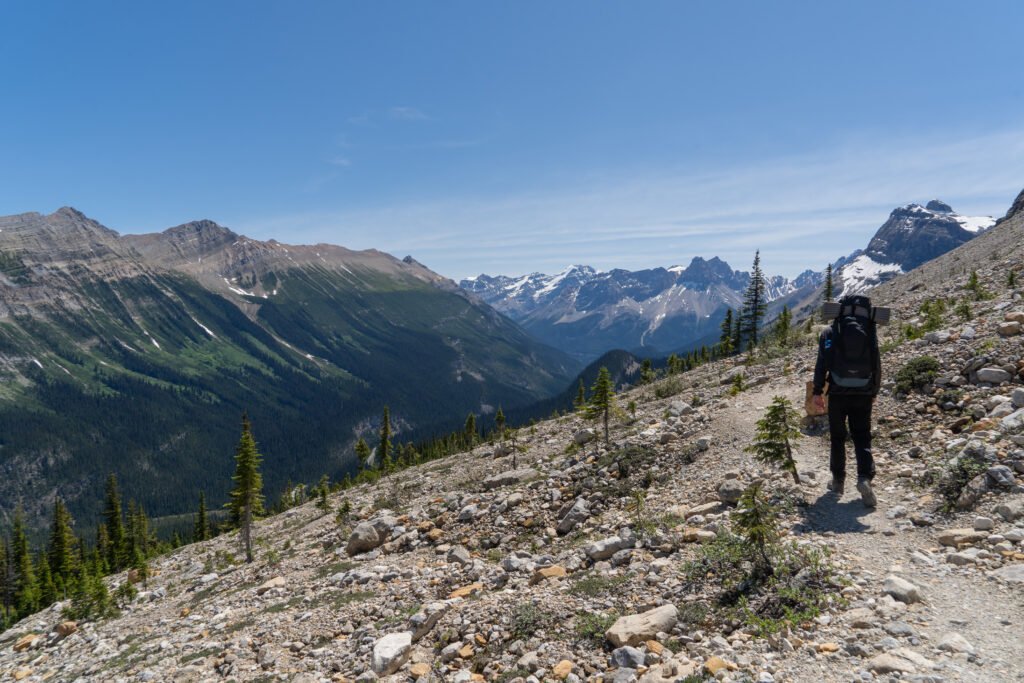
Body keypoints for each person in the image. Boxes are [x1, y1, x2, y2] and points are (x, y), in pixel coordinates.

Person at [812, 294, 882, 507]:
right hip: (863, 391)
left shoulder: (829, 332)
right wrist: (874, 391)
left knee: (837, 437)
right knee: (862, 437)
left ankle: (838, 481)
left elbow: (821, 364)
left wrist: (817, 392)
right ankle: (864, 478)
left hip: (837, 393)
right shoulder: (869, 330)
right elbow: (876, 362)